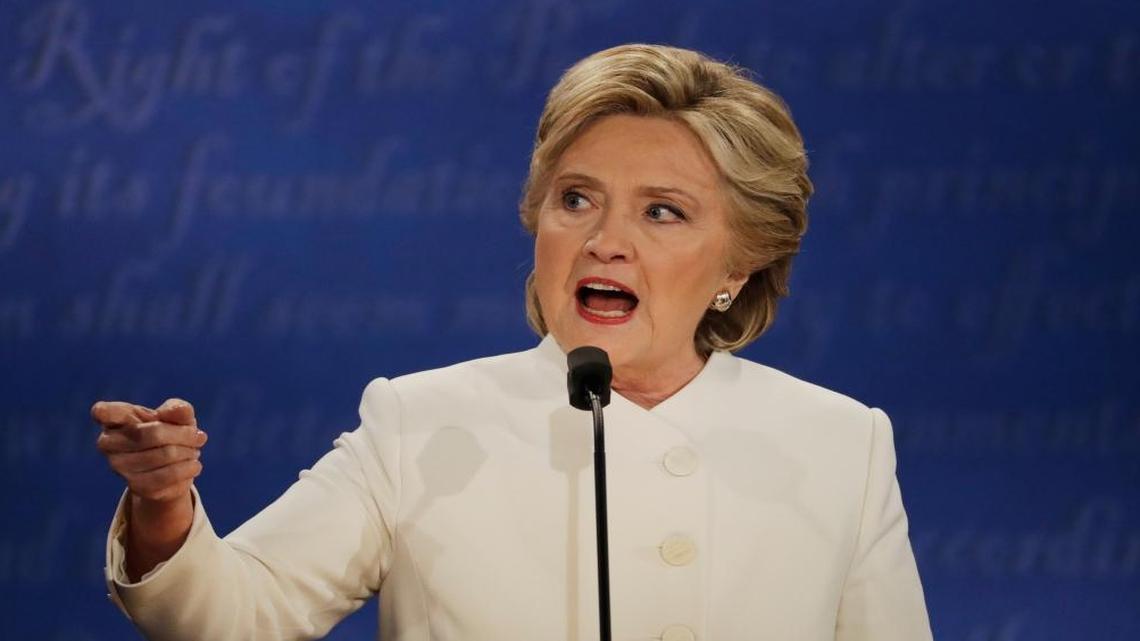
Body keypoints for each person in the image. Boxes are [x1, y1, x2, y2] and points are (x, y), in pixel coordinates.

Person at [93, 44, 933, 641]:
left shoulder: (839, 442)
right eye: (577, 199)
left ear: (741, 262)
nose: (606, 239)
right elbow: (233, 615)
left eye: (662, 211)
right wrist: (166, 513)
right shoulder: (420, 423)